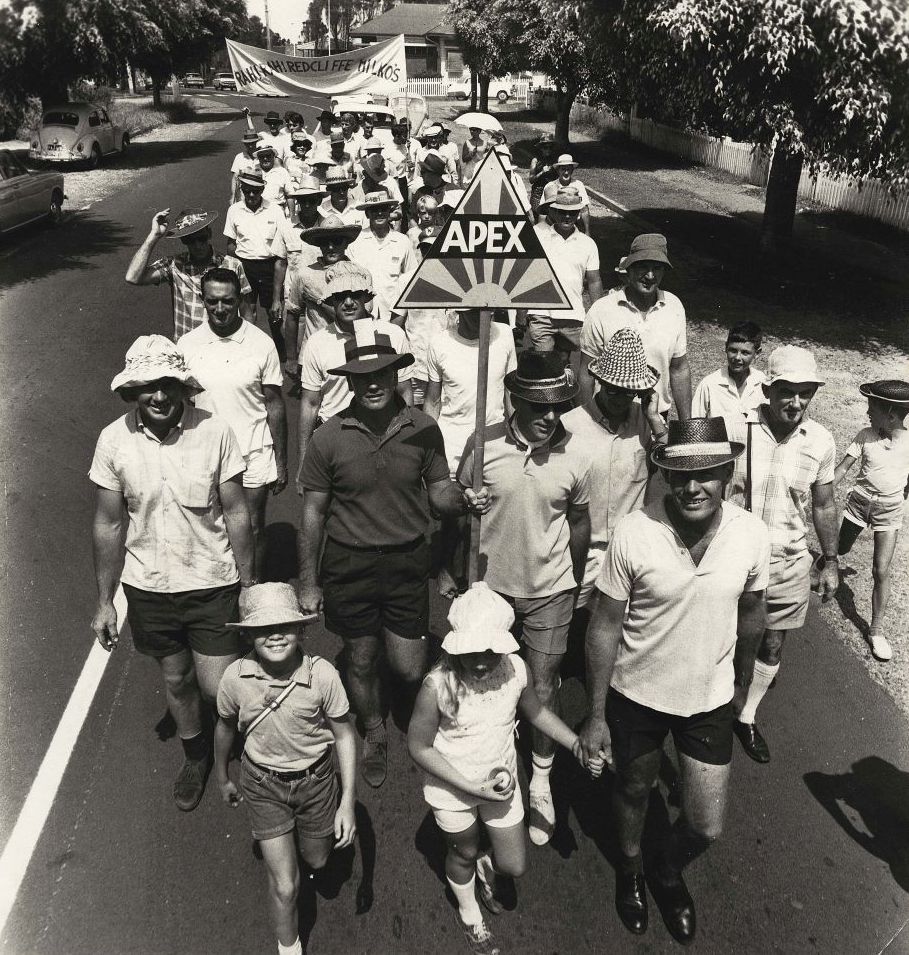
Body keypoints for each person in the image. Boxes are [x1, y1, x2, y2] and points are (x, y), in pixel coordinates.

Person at [579, 417, 770, 945]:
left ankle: (667, 871)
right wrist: (595, 715)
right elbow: (603, 627)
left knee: (706, 824)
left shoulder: (751, 534)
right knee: (634, 788)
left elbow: (753, 611)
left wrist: (742, 681)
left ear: (728, 473)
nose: (692, 487)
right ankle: (633, 869)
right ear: (664, 476)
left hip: (708, 700)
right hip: (635, 695)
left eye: (706, 474)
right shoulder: (634, 533)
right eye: (679, 475)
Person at [297, 326, 483, 788]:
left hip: (405, 562)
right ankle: (375, 728)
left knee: (408, 667)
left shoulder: (423, 428)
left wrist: (463, 498)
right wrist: (308, 582)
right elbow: (314, 513)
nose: (373, 383)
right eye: (362, 376)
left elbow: (440, 492)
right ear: (351, 381)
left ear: (396, 372)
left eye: (381, 372)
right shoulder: (329, 436)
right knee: (361, 658)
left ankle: (407, 689)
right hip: (348, 562)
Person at [90, 335, 256, 812]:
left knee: (217, 686)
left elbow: (237, 513)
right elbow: (108, 522)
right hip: (150, 588)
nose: (159, 396)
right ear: (131, 392)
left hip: (212, 580)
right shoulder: (112, 440)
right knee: (178, 680)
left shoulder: (215, 431)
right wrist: (104, 601)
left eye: (167, 384)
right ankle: (197, 755)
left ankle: (242, 745)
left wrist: (248, 585)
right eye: (147, 386)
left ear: (183, 388)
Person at [407, 583, 587, 955]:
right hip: (451, 791)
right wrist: (470, 787)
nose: (481, 660)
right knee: (463, 854)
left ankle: (487, 867)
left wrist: (574, 742)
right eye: (472, 650)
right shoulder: (436, 686)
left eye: (491, 650)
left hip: (501, 786)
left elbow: (536, 712)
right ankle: (470, 912)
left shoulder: (516, 670)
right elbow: (418, 746)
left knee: (515, 865)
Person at [457, 351, 591, 847]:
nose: (551, 417)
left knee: (542, 684)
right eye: (539, 407)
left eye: (559, 406)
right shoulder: (483, 441)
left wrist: (572, 582)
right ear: (515, 401)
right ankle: (488, 764)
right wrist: (464, 500)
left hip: (550, 590)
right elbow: (457, 493)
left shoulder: (578, 454)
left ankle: (539, 779)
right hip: (490, 588)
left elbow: (579, 522)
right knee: (485, 681)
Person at [214, 583, 356, 955]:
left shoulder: (323, 676)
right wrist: (222, 777)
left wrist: (347, 804)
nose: (275, 634)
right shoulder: (234, 679)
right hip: (263, 784)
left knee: (319, 859)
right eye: (262, 628)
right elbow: (225, 726)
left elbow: (343, 736)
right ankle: (289, 947)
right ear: (248, 635)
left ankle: (300, 844)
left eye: (285, 625)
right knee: (285, 886)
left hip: (316, 781)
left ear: (302, 630)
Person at [726, 345, 839, 762]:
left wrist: (830, 561)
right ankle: (713, 710)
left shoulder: (821, 441)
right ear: (768, 390)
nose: (796, 402)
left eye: (805, 393)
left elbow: (824, 504)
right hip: (735, 559)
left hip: (790, 560)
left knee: (773, 647)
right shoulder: (739, 427)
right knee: (726, 640)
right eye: (787, 392)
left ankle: (746, 715)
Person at [179, 268, 287, 576]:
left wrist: (282, 461)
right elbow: (182, 404)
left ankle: (250, 589)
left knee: (252, 525)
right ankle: (217, 587)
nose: (220, 309)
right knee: (209, 525)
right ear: (203, 300)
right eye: (212, 302)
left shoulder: (261, 343)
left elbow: (275, 404)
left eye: (227, 301)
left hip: (253, 450)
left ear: (239, 299)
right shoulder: (187, 345)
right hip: (204, 452)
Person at [561, 329, 667, 611]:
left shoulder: (647, 425)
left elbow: (674, 469)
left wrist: (655, 419)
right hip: (579, 552)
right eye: (613, 389)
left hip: (628, 552)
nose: (621, 398)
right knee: (566, 627)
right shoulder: (569, 425)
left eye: (629, 390)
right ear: (598, 382)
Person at [425, 308, 517, 599]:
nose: (480, 316)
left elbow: (510, 392)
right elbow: (432, 400)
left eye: (484, 309)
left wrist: (515, 436)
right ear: (457, 311)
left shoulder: (505, 336)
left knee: (494, 511)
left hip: (495, 438)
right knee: (453, 514)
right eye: (471, 311)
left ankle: (484, 576)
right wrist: (430, 451)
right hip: (451, 440)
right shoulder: (439, 343)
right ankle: (446, 569)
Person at [295, 262, 411, 491]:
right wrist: (303, 462)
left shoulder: (393, 335)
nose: (348, 302)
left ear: (366, 296)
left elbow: (405, 391)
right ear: (331, 300)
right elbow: (310, 403)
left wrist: (404, 442)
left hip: (384, 436)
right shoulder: (317, 343)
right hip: (333, 438)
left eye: (355, 295)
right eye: (340, 296)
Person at [821, 379, 909, 661]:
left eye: (872, 407)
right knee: (840, 549)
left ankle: (876, 630)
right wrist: (819, 491)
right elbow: (842, 469)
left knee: (881, 571)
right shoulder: (865, 435)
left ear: (892, 414)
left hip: (889, 512)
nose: (868, 412)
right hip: (859, 504)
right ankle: (817, 569)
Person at [580, 233, 692, 420]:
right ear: (629, 270)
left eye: (657, 268)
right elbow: (586, 372)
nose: (650, 275)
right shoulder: (602, 309)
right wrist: (587, 421)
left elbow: (679, 369)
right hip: (609, 414)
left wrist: (686, 424)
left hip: (656, 416)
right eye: (642, 267)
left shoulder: (674, 307)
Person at [125, 207, 253, 340]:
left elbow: (246, 310)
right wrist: (154, 236)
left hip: (226, 344)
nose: (197, 245)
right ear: (183, 240)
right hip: (187, 347)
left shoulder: (232, 265)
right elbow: (132, 277)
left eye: (202, 238)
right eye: (190, 240)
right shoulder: (174, 265)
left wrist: (248, 343)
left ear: (209, 234)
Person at [521, 185, 602, 372]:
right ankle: (546, 400)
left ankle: (563, 401)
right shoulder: (538, 235)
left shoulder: (587, 244)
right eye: (562, 212)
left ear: (578, 214)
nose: (567, 217)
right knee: (544, 365)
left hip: (573, 317)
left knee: (568, 366)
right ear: (553, 211)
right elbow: (526, 272)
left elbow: (594, 281)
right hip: (542, 315)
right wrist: (521, 310)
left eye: (572, 213)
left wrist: (597, 314)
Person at [283, 216, 361, 389]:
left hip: (349, 353)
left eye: (337, 241)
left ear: (346, 243)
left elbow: (359, 322)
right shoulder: (305, 275)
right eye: (325, 242)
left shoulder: (359, 274)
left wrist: (319, 301)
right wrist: (291, 358)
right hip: (312, 354)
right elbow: (292, 316)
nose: (331, 247)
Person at [224, 171, 289, 361]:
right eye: (247, 191)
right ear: (242, 190)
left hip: (270, 267)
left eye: (255, 191)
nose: (251, 195)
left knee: (274, 313)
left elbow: (283, 244)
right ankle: (250, 351)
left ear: (262, 189)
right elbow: (230, 243)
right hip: (245, 267)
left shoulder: (275, 210)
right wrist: (233, 270)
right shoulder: (234, 210)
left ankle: (280, 348)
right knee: (248, 311)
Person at [349, 192, 417, 320]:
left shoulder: (402, 241)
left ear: (389, 212)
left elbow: (410, 281)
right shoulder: (356, 241)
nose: (379, 213)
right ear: (367, 213)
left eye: (383, 209)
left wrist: (400, 317)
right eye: (374, 210)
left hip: (394, 315)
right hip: (362, 314)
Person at [692, 321, 767, 425]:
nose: (737, 358)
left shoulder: (762, 382)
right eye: (733, 351)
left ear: (757, 353)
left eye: (745, 353)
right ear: (726, 347)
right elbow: (695, 425)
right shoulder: (709, 384)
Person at [550, 154, 591, 232]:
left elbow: (585, 209)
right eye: (563, 169)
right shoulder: (551, 186)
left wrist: (587, 231)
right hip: (555, 225)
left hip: (574, 223)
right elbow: (543, 213)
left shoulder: (578, 184)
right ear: (558, 170)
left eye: (568, 169)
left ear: (572, 170)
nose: (566, 172)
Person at [319, 165, 366, 230]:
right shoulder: (322, 210)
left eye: (344, 188)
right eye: (337, 189)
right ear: (329, 190)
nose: (341, 192)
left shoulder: (359, 207)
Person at [255, 144, 294, 216]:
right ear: (258, 158)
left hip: (277, 210)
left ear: (274, 156)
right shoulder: (253, 172)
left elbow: (290, 195)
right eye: (262, 156)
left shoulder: (282, 172)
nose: (265, 158)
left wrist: (292, 216)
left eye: (268, 156)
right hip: (258, 211)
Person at [527, 133, 558, 221]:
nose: (548, 150)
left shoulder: (555, 161)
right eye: (545, 147)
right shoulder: (535, 160)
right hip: (538, 192)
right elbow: (531, 179)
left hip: (552, 192)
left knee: (552, 219)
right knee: (539, 218)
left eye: (550, 147)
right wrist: (542, 172)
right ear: (541, 148)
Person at [230, 131, 261, 203]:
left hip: (261, 194)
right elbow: (235, 178)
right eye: (248, 144)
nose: (250, 146)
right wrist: (233, 196)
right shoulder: (239, 157)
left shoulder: (263, 156)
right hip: (245, 197)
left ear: (257, 142)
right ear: (244, 144)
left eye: (253, 143)